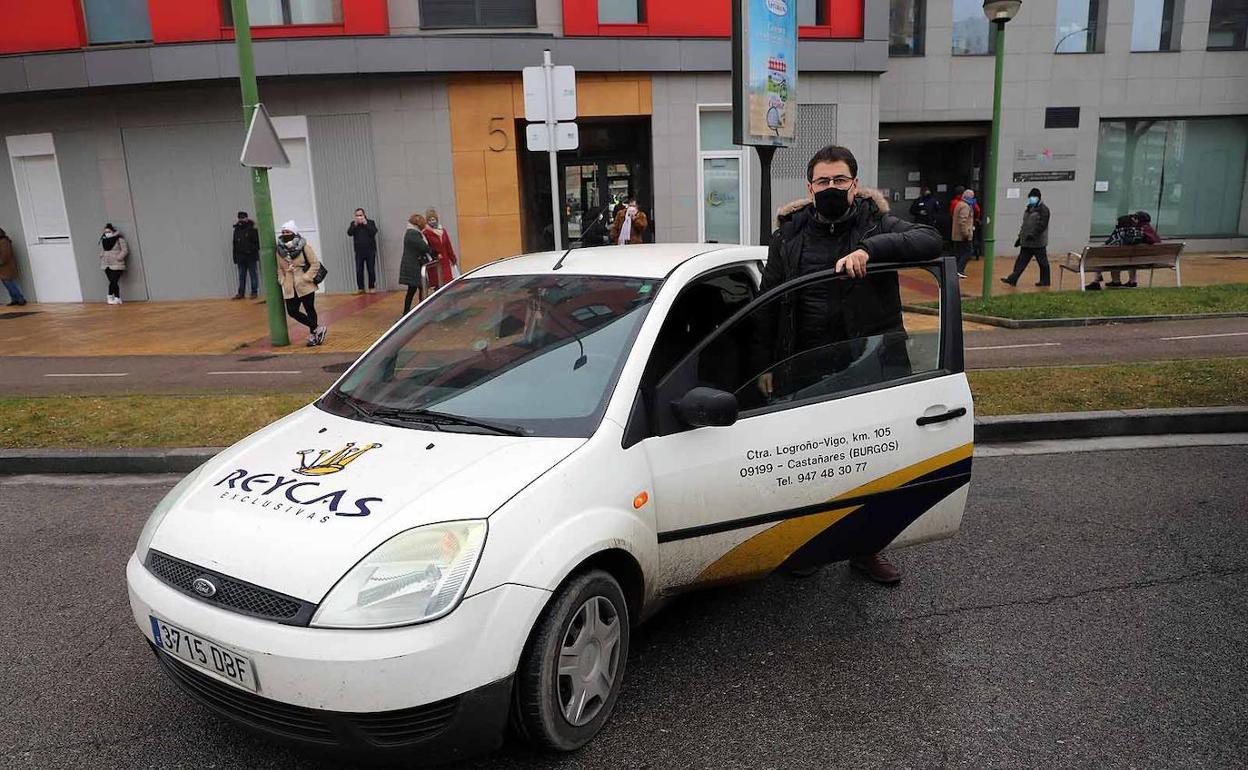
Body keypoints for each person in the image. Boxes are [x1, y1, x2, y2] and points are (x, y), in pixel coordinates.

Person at [753, 144, 942, 585]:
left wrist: (871, 250)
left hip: (870, 368)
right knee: (807, 465)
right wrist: (763, 366)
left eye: (841, 180)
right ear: (809, 187)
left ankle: (865, 550)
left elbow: (929, 240)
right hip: (806, 369)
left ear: (855, 185)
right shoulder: (789, 235)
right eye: (824, 181)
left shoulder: (876, 223)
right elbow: (766, 303)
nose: (832, 188)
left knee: (873, 464)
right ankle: (810, 546)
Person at [275, 220, 326, 347]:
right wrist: (281, 280)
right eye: (283, 232)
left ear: (294, 232)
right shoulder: (279, 251)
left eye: (288, 231)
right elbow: (279, 269)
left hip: (304, 284)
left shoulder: (304, 247)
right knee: (292, 311)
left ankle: (314, 336)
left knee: (309, 309)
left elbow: (315, 264)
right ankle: (317, 328)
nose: (285, 234)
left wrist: (306, 277)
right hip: (289, 285)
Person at [1088, 211, 1161, 290]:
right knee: (1129, 259)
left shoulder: (1123, 234)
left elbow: (1108, 245)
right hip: (1141, 260)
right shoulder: (1146, 233)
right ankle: (1132, 281)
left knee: (1111, 258)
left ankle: (1102, 281)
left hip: (1121, 261)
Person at [1001, 187, 1051, 287]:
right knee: (1020, 262)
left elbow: (1042, 225)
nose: (1031, 199)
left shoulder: (1044, 210)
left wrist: (1033, 235)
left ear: (1038, 198)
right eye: (1030, 197)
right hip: (1026, 242)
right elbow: (1025, 225)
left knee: (1042, 262)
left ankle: (1045, 281)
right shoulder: (1029, 208)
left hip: (1038, 243)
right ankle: (1013, 279)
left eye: (1033, 197)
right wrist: (1020, 238)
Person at [400, 213, 434, 314]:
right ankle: (420, 310)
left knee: (414, 289)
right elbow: (423, 247)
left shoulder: (411, 232)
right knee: (419, 288)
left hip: (413, 265)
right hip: (413, 266)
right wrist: (432, 251)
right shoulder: (413, 233)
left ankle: (410, 311)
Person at [421, 207, 459, 291]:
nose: (432, 221)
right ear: (427, 221)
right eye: (430, 220)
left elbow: (448, 246)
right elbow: (426, 248)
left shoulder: (443, 231)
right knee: (438, 284)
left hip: (445, 261)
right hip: (435, 262)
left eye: (433, 219)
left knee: (447, 284)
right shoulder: (425, 233)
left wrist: (453, 258)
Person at [347, 207, 379, 294]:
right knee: (359, 270)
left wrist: (366, 224)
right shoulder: (354, 224)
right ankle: (361, 288)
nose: (359, 217)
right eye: (357, 215)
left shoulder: (370, 222)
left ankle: (371, 287)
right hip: (359, 251)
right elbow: (349, 233)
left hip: (370, 251)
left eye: (360, 215)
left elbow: (374, 232)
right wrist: (355, 225)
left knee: (371, 269)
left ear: (364, 215)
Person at [231, 211, 260, 300]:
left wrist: (250, 250)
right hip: (240, 257)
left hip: (251, 257)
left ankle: (254, 292)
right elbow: (235, 244)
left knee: (253, 275)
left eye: (243, 218)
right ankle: (241, 293)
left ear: (247, 218)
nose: (241, 219)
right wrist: (235, 257)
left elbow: (257, 244)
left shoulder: (252, 229)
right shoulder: (237, 229)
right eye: (240, 218)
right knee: (241, 275)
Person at [98, 223, 129, 305]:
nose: (107, 233)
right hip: (106, 263)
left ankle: (109, 296)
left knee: (113, 280)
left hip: (117, 263)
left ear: (113, 231)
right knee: (113, 282)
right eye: (105, 232)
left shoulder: (119, 239)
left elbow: (125, 250)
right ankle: (118, 298)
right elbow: (103, 250)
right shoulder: (104, 240)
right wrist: (102, 255)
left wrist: (119, 257)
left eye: (108, 231)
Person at [952, 189, 976, 279]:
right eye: (972, 197)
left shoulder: (959, 204)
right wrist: (966, 233)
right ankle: (959, 270)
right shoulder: (965, 206)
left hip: (957, 235)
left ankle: (955, 270)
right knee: (968, 252)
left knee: (959, 253)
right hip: (963, 236)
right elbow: (963, 221)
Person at [0, 228, 27, 306]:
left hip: (6, 267)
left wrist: (1, 262)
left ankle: (20, 299)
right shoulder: (3, 241)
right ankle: (15, 299)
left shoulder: (3, 242)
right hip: (3, 268)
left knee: (10, 284)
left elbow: (5, 255)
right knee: (8, 284)